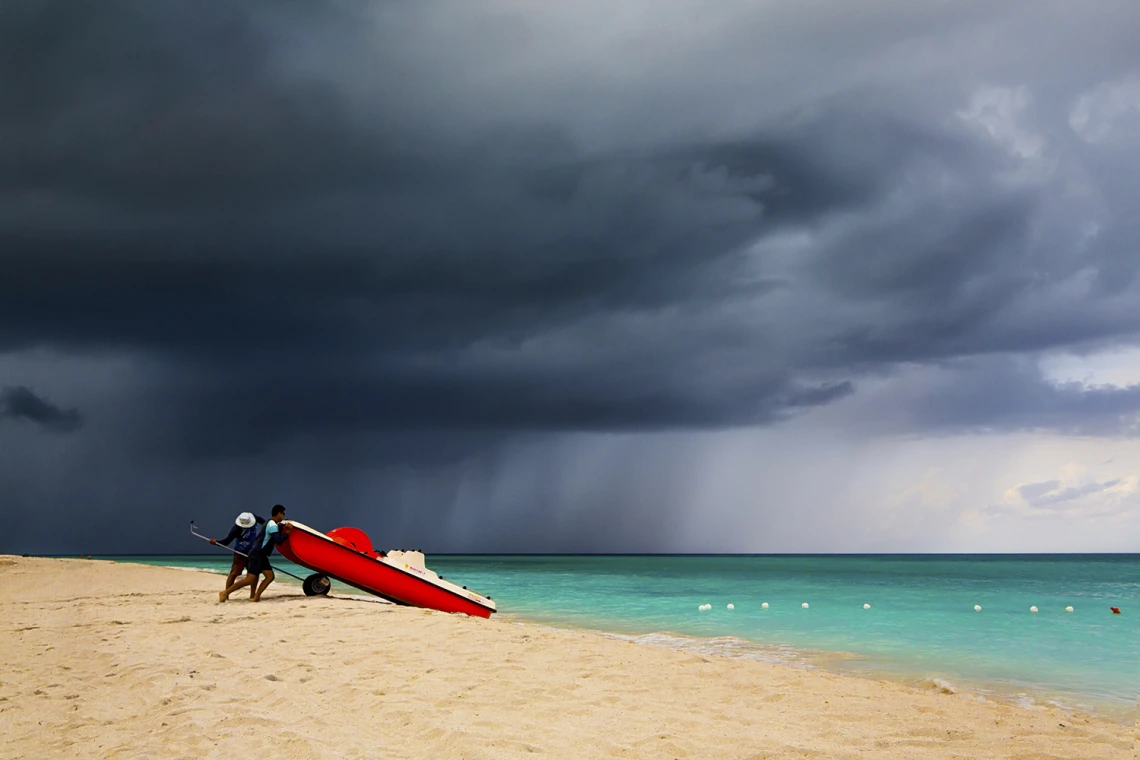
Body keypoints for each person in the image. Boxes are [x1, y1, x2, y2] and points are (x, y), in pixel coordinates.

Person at [218, 504, 292, 603]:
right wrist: (288, 532)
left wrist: (282, 526)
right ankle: (225, 593)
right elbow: (278, 540)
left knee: (270, 576)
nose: (284, 516)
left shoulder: (270, 523)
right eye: (283, 514)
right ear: (279, 513)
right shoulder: (272, 525)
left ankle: (256, 597)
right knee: (249, 579)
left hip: (261, 554)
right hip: (256, 554)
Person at [210, 511, 267, 595]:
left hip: (253, 552)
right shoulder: (236, 529)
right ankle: (226, 594)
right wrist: (216, 542)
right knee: (234, 573)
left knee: (255, 573)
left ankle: (252, 594)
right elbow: (226, 542)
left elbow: (265, 524)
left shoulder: (254, 518)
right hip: (240, 552)